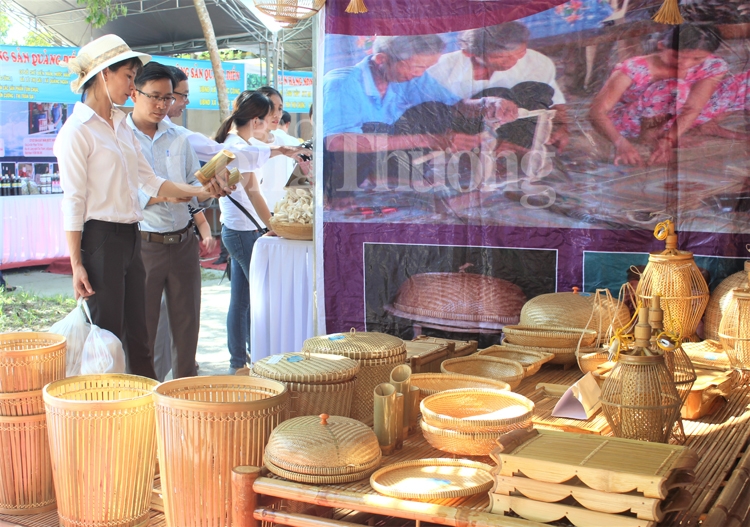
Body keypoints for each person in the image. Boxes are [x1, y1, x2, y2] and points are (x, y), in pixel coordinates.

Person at [54, 34, 230, 379]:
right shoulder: (77, 131)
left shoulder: (120, 126)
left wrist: (206, 192)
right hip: (99, 238)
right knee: (107, 336)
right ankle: (108, 412)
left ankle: (145, 409)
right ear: (104, 74)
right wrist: (76, 263)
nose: (131, 85)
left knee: (140, 335)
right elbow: (73, 200)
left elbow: (152, 181)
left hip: (131, 236)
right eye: (128, 76)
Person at [127, 61, 216, 380]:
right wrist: (165, 195)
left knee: (187, 328)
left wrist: (214, 187)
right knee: (144, 331)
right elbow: (123, 193)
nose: (162, 105)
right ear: (134, 93)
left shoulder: (180, 137)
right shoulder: (121, 137)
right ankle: (144, 400)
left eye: (168, 98)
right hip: (143, 245)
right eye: (155, 96)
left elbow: (196, 188)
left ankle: (184, 396)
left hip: (182, 243)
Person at [590, 24, 750, 166]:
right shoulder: (633, 69)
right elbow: (596, 113)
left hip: (684, 117)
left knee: (746, 81)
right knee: (674, 86)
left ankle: (707, 126)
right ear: (661, 46)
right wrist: (620, 143)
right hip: (633, 123)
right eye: (677, 56)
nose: (685, 64)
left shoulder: (712, 65)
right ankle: (648, 139)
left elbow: (692, 108)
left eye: (697, 59)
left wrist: (669, 139)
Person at [427, 21, 569, 150]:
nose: (512, 61)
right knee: (495, 93)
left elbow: (555, 102)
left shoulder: (537, 62)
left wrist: (561, 126)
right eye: (500, 57)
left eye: (519, 53)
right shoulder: (440, 69)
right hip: (465, 136)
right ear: (469, 52)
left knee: (534, 89)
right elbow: (429, 116)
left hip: (516, 131)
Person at [214, 91, 277, 372]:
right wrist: (275, 226)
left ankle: (240, 361)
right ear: (255, 120)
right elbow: (253, 193)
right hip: (242, 232)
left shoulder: (238, 143)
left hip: (238, 230)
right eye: (267, 117)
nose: (270, 123)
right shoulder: (238, 147)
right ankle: (249, 359)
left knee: (241, 301)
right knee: (258, 300)